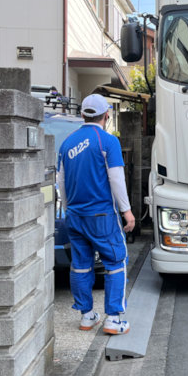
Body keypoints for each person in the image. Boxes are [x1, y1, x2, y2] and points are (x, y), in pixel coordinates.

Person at [56, 94, 135, 335]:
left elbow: (61, 181)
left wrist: (69, 209)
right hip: (102, 216)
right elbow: (116, 179)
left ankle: (87, 316)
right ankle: (113, 319)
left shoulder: (67, 143)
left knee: (80, 265)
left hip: (75, 215)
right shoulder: (108, 141)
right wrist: (127, 211)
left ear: (82, 114)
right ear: (107, 115)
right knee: (116, 262)